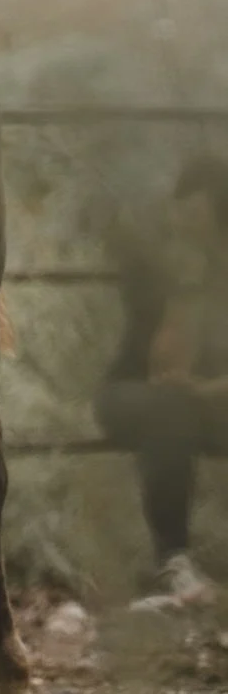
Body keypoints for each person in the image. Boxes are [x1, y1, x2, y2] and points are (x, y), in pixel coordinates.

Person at [94, 154, 228, 608]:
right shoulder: (158, 266)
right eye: (183, 206)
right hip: (134, 393)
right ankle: (174, 560)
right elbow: (163, 366)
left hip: (208, 399)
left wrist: (207, 389)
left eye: (198, 208)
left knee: (180, 405)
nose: (186, 217)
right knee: (169, 407)